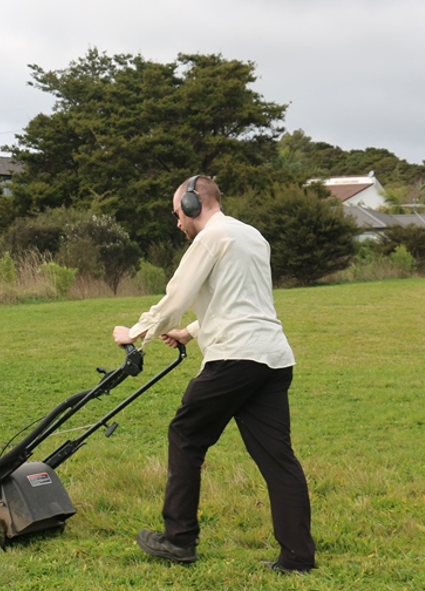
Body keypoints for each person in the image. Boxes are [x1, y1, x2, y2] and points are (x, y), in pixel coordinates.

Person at [112, 175, 316, 574]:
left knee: (185, 436)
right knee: (278, 459)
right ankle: (297, 556)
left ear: (192, 205)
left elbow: (176, 297)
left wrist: (134, 333)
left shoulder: (210, 237)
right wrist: (190, 332)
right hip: (273, 360)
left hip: (234, 359)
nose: (178, 224)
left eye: (177, 214)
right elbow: (240, 301)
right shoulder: (253, 236)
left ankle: (178, 539)